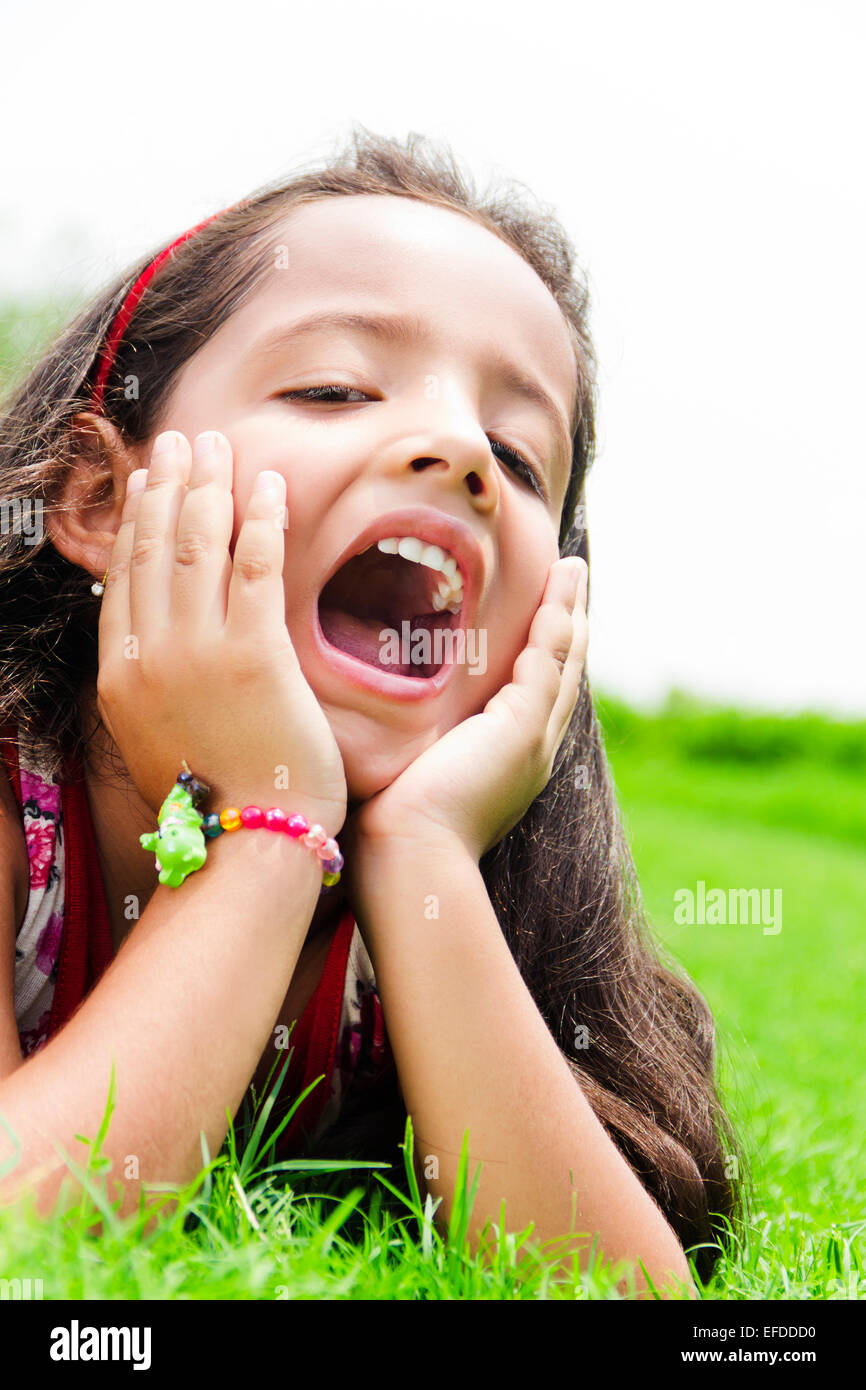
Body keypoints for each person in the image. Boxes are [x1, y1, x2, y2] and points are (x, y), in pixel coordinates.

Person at [0, 126, 744, 1297]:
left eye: (516, 451)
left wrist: (422, 850)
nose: (458, 450)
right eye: (334, 386)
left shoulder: (470, 895)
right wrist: (272, 827)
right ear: (101, 495)